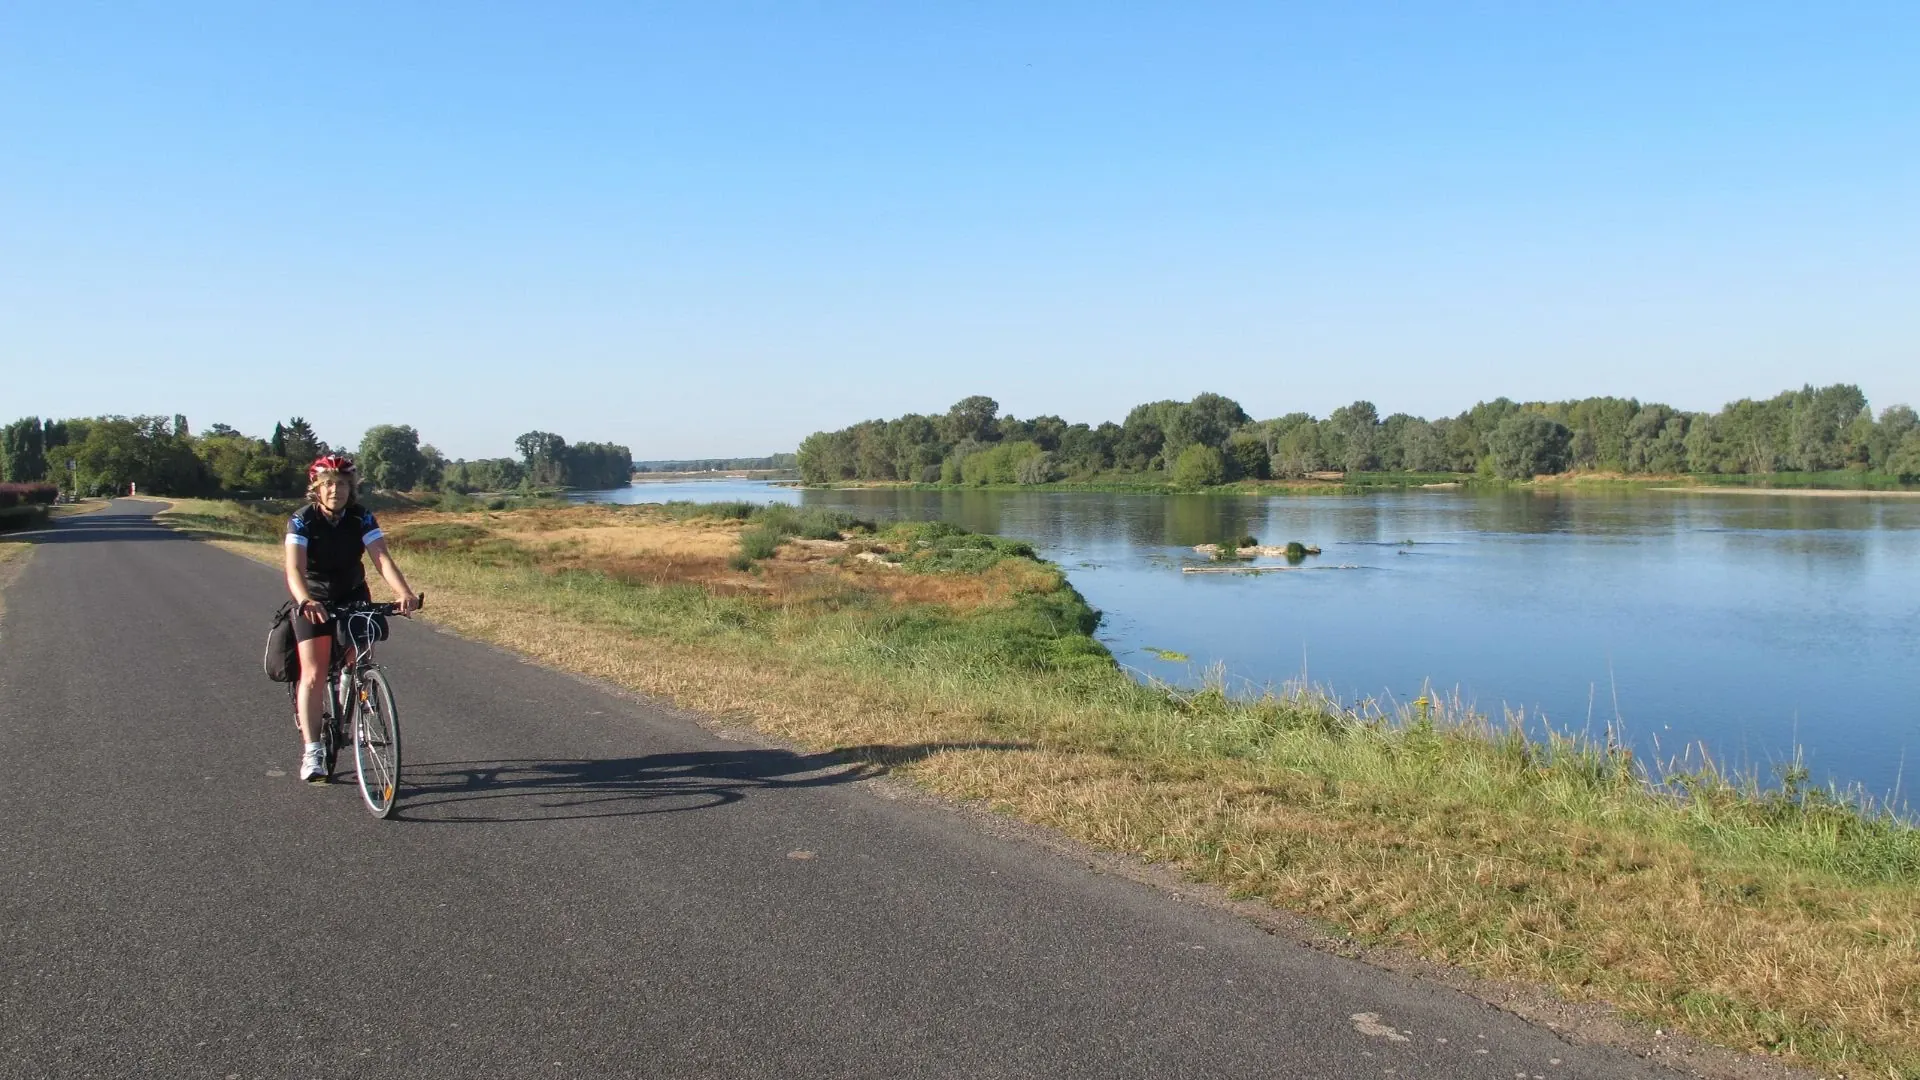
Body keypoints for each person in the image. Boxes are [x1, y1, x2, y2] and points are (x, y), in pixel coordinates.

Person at [285, 454, 420, 782]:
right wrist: (305, 600)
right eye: (329, 484)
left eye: (343, 484)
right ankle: (313, 750)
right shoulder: (302, 520)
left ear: (351, 488)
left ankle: (353, 689)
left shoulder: (361, 518)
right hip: (314, 598)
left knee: (360, 658)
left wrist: (404, 592)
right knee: (314, 674)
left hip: (352, 593)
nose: (336, 490)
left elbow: (382, 559)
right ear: (317, 488)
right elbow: (294, 568)